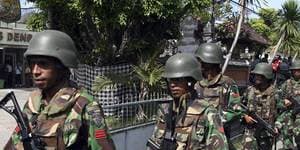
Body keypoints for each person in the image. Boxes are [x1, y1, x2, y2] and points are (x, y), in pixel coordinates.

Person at [4, 30, 115, 150]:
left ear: (61, 67)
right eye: (32, 64)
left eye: (43, 64)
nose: (35, 71)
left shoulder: (85, 105)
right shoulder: (34, 102)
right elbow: (15, 141)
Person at [147, 53, 228, 149]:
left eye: (178, 80)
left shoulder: (207, 112)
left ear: (190, 81)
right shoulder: (165, 111)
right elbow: (155, 142)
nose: (172, 85)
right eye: (170, 80)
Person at [193, 43, 242, 149]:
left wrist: (214, 120)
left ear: (209, 62)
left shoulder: (227, 83)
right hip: (198, 136)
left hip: (220, 136)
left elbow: (236, 110)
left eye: (201, 61)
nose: (199, 64)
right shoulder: (197, 84)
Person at [242, 63, 279, 150]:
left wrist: (278, 126)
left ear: (267, 76)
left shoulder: (275, 93)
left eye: (260, 76)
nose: (256, 78)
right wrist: (245, 116)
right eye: (256, 75)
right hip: (250, 132)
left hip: (266, 134)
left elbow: (281, 111)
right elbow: (240, 106)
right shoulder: (249, 90)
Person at [275, 60, 300, 150]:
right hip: (288, 116)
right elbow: (276, 99)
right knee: (286, 140)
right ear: (292, 71)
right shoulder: (286, 84)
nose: (297, 71)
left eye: (299, 70)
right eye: (295, 70)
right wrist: (284, 102)